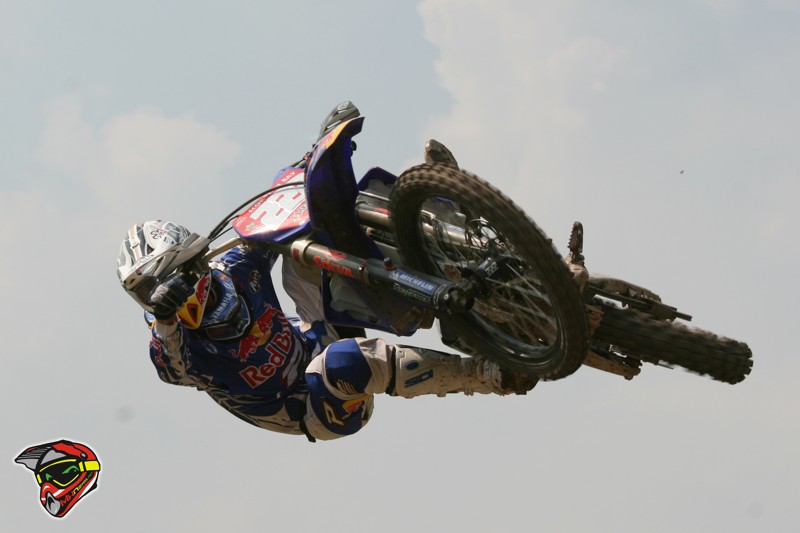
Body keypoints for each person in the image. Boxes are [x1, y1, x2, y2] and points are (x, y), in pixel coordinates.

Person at [117, 152, 535, 443]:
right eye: (145, 292)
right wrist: (165, 318)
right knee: (342, 361)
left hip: (316, 336)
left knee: (303, 240)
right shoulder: (180, 346)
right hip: (314, 406)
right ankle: (491, 376)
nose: (157, 296)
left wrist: (304, 169)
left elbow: (268, 221)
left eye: (158, 283)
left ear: (189, 262)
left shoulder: (234, 269)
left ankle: (442, 228)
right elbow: (169, 368)